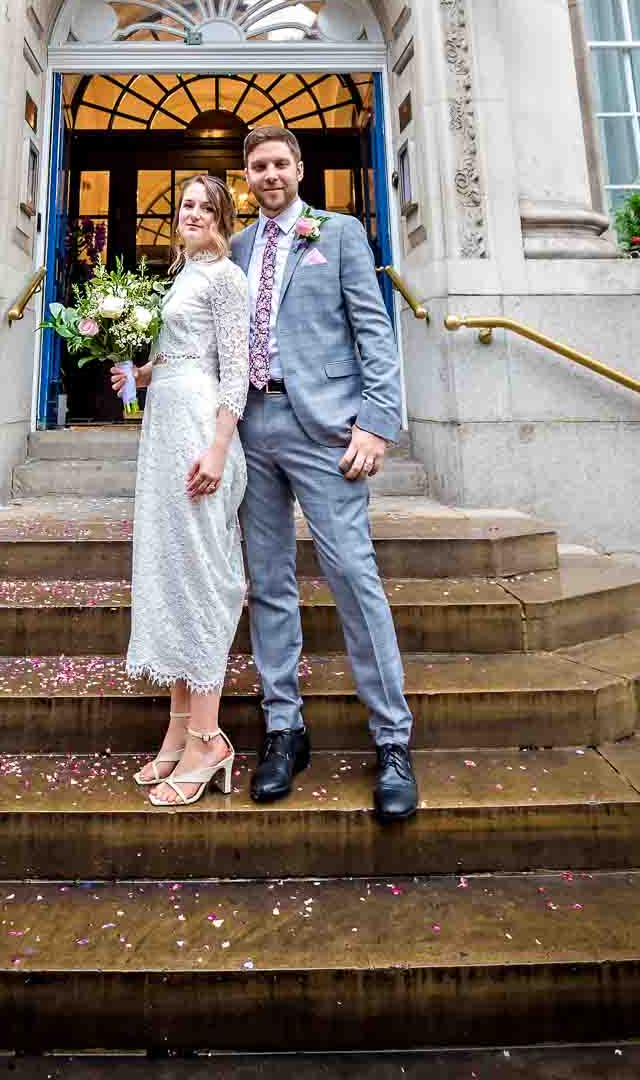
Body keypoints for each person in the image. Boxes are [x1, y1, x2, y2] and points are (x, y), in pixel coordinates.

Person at [231, 124, 419, 823]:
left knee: (352, 576)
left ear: (299, 169)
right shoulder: (240, 247)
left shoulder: (336, 233)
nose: (270, 174)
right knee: (269, 582)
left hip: (328, 431)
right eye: (258, 166)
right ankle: (284, 729)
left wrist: (376, 422)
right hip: (253, 426)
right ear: (245, 176)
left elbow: (375, 331)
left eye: (280, 163)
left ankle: (393, 740)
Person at [110, 174, 250, 809]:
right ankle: (175, 734)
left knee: (198, 576)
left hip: (199, 430)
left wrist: (218, 447)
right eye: (185, 205)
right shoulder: (183, 274)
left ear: (222, 215)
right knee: (169, 572)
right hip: (163, 425)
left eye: (205, 206)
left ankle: (208, 739)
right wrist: (135, 372)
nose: (192, 213)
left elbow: (234, 370)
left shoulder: (224, 277)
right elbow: (178, 355)